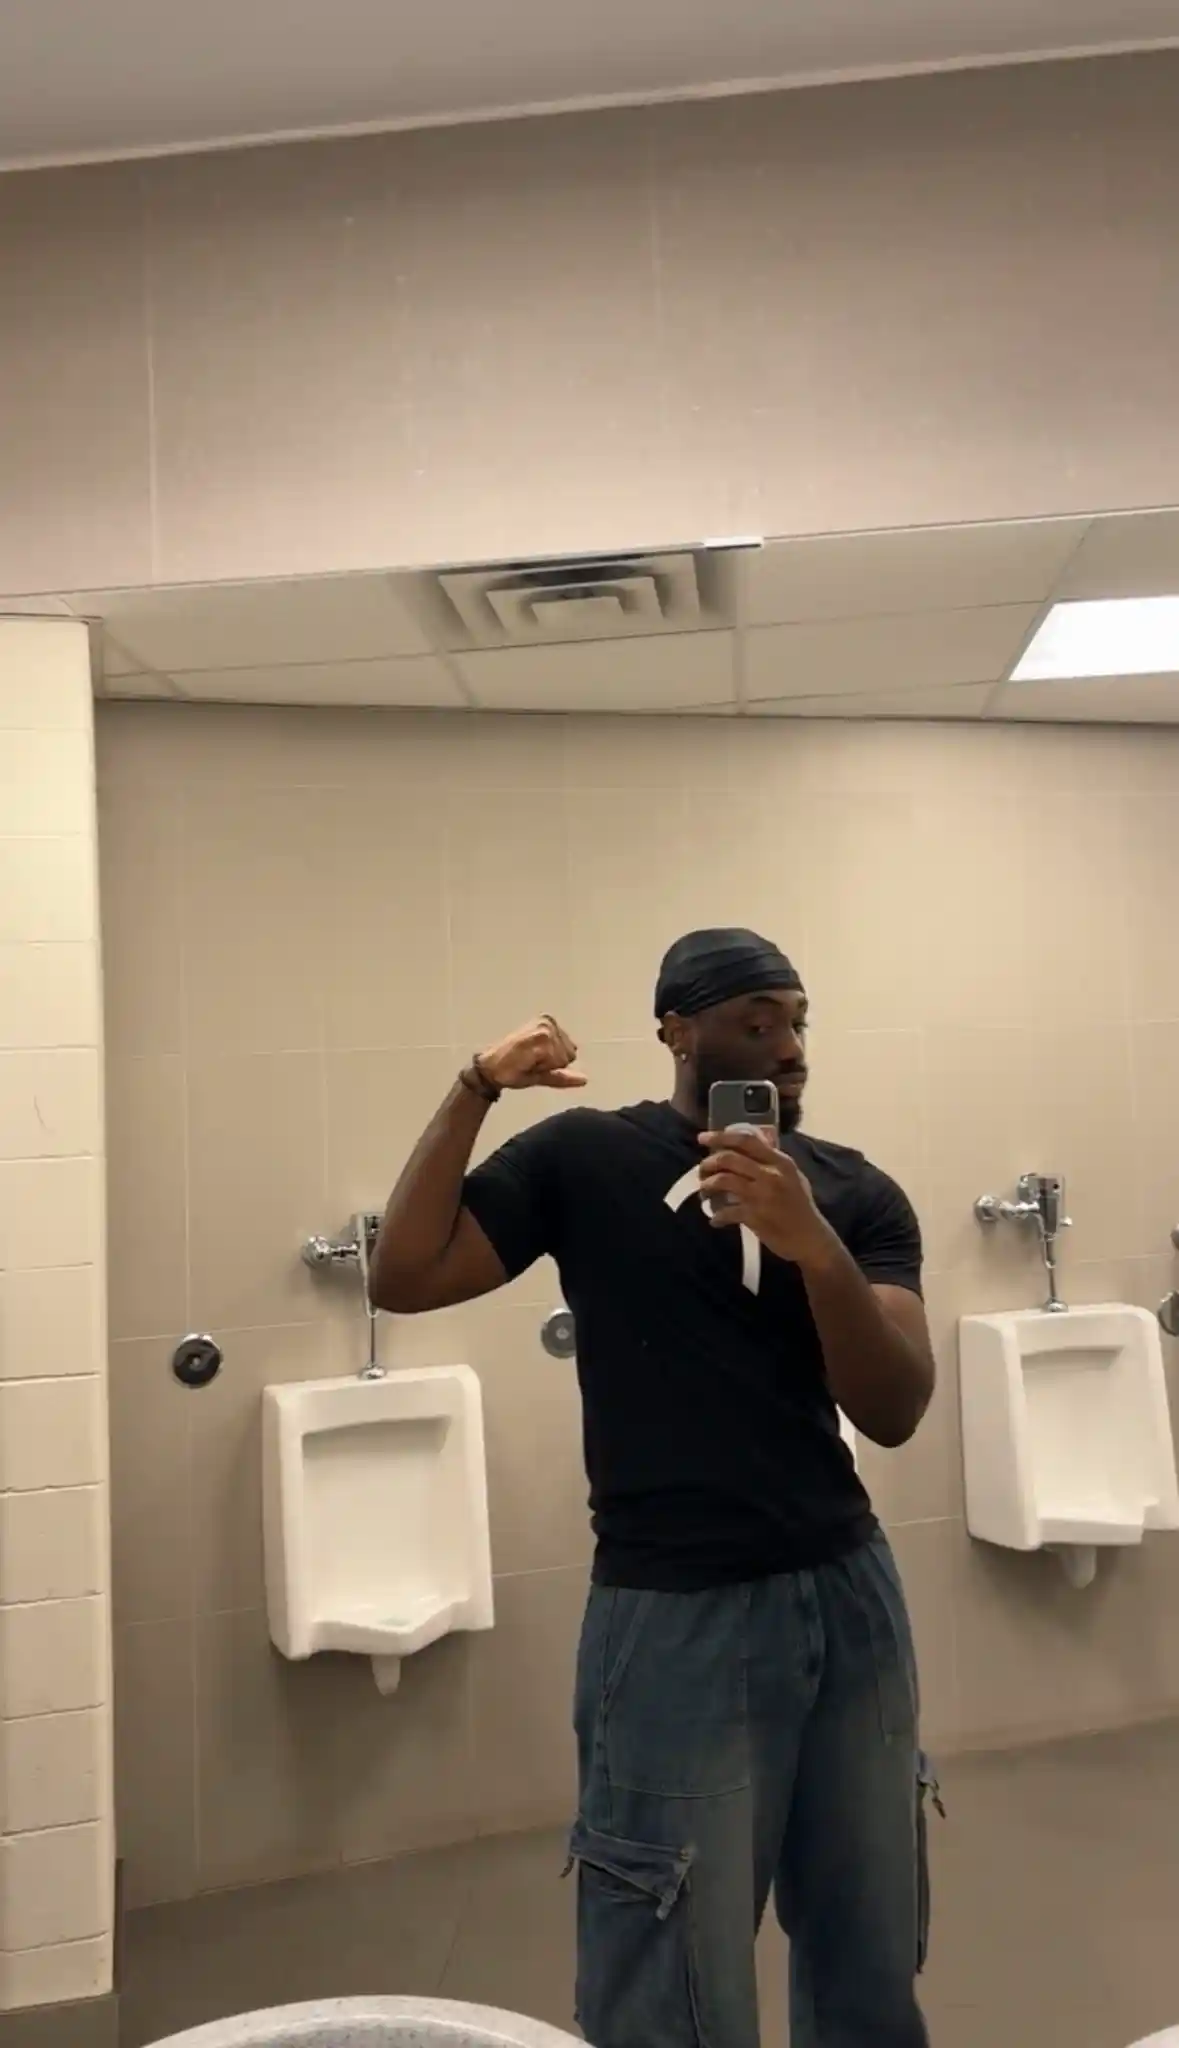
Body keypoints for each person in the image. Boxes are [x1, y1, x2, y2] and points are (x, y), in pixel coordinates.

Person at [369, 927, 937, 2048]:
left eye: (797, 1022)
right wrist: (476, 1087)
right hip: (674, 1611)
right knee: (670, 1958)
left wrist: (811, 1245)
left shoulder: (854, 1192)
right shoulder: (586, 1158)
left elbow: (894, 1405)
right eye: (755, 1022)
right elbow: (405, 1272)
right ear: (677, 1031)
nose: (787, 1049)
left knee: (869, 1935)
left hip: (848, 1597)